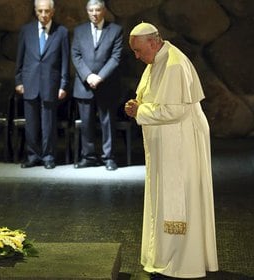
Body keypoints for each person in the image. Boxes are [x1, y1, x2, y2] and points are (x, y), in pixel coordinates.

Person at [125, 22, 218, 278]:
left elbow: (175, 109)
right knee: (164, 198)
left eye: (138, 50)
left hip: (181, 140)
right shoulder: (157, 61)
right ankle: (165, 256)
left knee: (181, 199)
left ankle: (182, 262)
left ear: (154, 43)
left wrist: (140, 111)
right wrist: (138, 104)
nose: (137, 56)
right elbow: (152, 97)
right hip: (168, 140)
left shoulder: (174, 64)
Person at [15, 0, 69, 169]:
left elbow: (65, 61)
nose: (44, 15)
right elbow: (20, 57)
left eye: (47, 11)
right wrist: (18, 80)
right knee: (31, 123)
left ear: (52, 12)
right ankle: (33, 155)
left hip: (51, 84)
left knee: (48, 124)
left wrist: (63, 84)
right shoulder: (26, 30)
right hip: (30, 83)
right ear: (35, 12)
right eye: (40, 11)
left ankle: (48, 156)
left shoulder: (61, 32)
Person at [71, 0, 123, 171]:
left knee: (107, 123)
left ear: (104, 11)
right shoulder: (79, 31)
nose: (94, 13)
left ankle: (109, 157)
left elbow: (115, 57)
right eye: (91, 10)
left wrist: (99, 77)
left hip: (106, 85)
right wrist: (88, 76)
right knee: (86, 124)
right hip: (84, 85)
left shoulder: (115, 30)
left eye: (97, 10)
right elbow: (76, 55)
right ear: (87, 12)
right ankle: (88, 156)